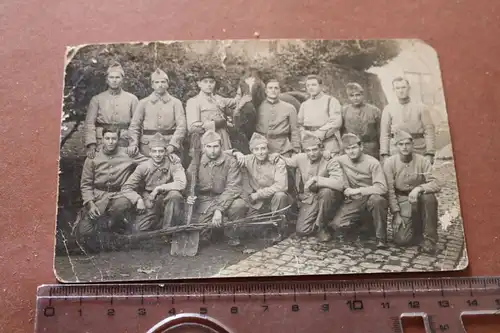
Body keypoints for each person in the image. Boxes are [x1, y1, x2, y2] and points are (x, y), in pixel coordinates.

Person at [75, 127, 148, 252]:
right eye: (107, 138)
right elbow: (86, 185)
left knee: (119, 208)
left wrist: (172, 160)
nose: (110, 142)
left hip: (121, 194)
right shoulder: (93, 157)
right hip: (99, 196)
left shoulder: (127, 153)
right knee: (84, 232)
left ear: (118, 139)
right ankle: (106, 240)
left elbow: (150, 163)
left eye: (114, 139)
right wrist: (90, 205)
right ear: (102, 139)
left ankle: (117, 236)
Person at [185, 130, 248, 246]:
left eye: (215, 146)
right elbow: (189, 183)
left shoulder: (230, 161)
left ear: (221, 146)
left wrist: (219, 209)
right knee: (199, 229)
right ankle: (216, 231)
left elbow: (233, 188)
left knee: (239, 205)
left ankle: (233, 235)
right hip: (205, 200)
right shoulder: (196, 161)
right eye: (208, 147)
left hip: (226, 197)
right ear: (204, 147)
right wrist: (189, 195)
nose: (212, 150)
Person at [383, 130, 441, 254]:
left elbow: (436, 183)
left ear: (413, 144)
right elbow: (390, 191)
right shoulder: (390, 163)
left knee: (429, 197)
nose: (404, 147)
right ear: (396, 146)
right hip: (402, 200)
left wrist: (419, 188)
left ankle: (429, 239)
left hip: (420, 199)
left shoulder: (422, 161)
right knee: (401, 240)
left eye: (407, 144)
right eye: (401, 144)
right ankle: (417, 228)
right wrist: (396, 214)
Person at [280, 131, 344, 241]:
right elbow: (287, 161)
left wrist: (317, 179)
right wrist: (275, 156)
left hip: (329, 197)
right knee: (302, 230)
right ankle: (326, 223)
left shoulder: (329, 160)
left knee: (326, 192)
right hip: (311, 197)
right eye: (308, 150)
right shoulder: (301, 158)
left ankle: (322, 227)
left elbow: (340, 183)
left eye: (315, 149)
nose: (312, 153)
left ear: (321, 149)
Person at [331, 133, 389, 248]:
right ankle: (362, 226)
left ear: (361, 147)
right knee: (337, 225)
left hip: (370, 198)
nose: (351, 152)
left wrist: (358, 191)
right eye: (347, 149)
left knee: (377, 200)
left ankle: (380, 237)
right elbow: (329, 161)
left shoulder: (373, 163)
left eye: (354, 148)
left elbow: (382, 188)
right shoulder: (341, 160)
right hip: (354, 201)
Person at [121, 132, 187, 233]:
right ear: (150, 152)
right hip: (150, 199)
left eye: (160, 151)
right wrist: (138, 200)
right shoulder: (143, 167)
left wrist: (159, 188)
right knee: (138, 229)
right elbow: (126, 188)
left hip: (167, 197)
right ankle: (160, 222)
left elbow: (181, 183)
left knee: (175, 195)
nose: (157, 154)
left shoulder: (173, 163)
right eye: (154, 151)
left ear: (166, 152)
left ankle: (168, 231)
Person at [232, 132, 291, 227]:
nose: (260, 152)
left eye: (263, 148)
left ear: (268, 149)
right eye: (256, 149)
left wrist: (258, 194)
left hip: (274, 198)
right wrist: (236, 153)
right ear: (252, 151)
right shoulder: (248, 160)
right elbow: (224, 154)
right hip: (258, 202)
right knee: (251, 225)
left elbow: (281, 186)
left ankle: (281, 228)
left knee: (280, 195)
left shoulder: (277, 162)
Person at [84, 62, 139, 158]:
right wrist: (91, 144)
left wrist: (133, 144)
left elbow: (137, 124)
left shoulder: (132, 99)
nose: (114, 80)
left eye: (117, 77)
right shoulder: (97, 99)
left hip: (124, 141)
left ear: (122, 80)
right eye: (111, 77)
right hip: (102, 142)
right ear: (107, 80)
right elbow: (89, 123)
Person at [128, 68, 187, 157]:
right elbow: (134, 126)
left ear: (167, 84)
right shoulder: (143, 103)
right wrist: (133, 143)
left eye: (163, 82)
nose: (160, 85)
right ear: (152, 85)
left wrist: (173, 145)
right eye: (157, 82)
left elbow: (181, 127)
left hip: (168, 145)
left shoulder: (176, 103)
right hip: (147, 147)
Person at [185, 70, 249, 151]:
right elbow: (192, 128)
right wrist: (215, 124)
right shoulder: (194, 102)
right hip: (206, 142)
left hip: (223, 140)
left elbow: (236, 102)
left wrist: (241, 90)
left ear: (215, 83)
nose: (209, 85)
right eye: (205, 82)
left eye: (211, 82)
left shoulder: (218, 99)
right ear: (199, 84)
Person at [380, 77, 436, 164]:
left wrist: (430, 153)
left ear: (409, 88)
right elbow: (385, 134)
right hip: (396, 150)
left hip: (418, 148)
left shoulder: (421, 107)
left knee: (420, 175)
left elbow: (429, 131)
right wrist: (385, 154)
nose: (401, 91)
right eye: (397, 88)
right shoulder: (388, 109)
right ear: (393, 90)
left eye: (403, 87)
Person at [298, 75, 343, 156]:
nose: (310, 87)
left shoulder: (331, 101)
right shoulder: (304, 104)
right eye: (308, 85)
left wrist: (318, 135)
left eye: (314, 85)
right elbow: (299, 124)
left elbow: (336, 123)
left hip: (328, 143)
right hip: (311, 145)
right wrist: (304, 135)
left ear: (321, 86)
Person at [255, 79, 301, 156]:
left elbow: (295, 131)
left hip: (283, 149)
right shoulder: (258, 107)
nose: (273, 90)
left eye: (276, 88)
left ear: (279, 90)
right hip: (262, 150)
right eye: (270, 88)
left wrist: (296, 149)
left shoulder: (290, 108)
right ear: (266, 91)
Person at [341, 83, 382, 159]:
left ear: (362, 95)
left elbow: (380, 131)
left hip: (370, 147)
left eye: (358, 95)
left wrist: (382, 149)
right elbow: (341, 131)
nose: (355, 98)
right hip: (351, 147)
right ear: (348, 97)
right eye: (352, 96)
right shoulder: (344, 111)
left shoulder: (374, 111)